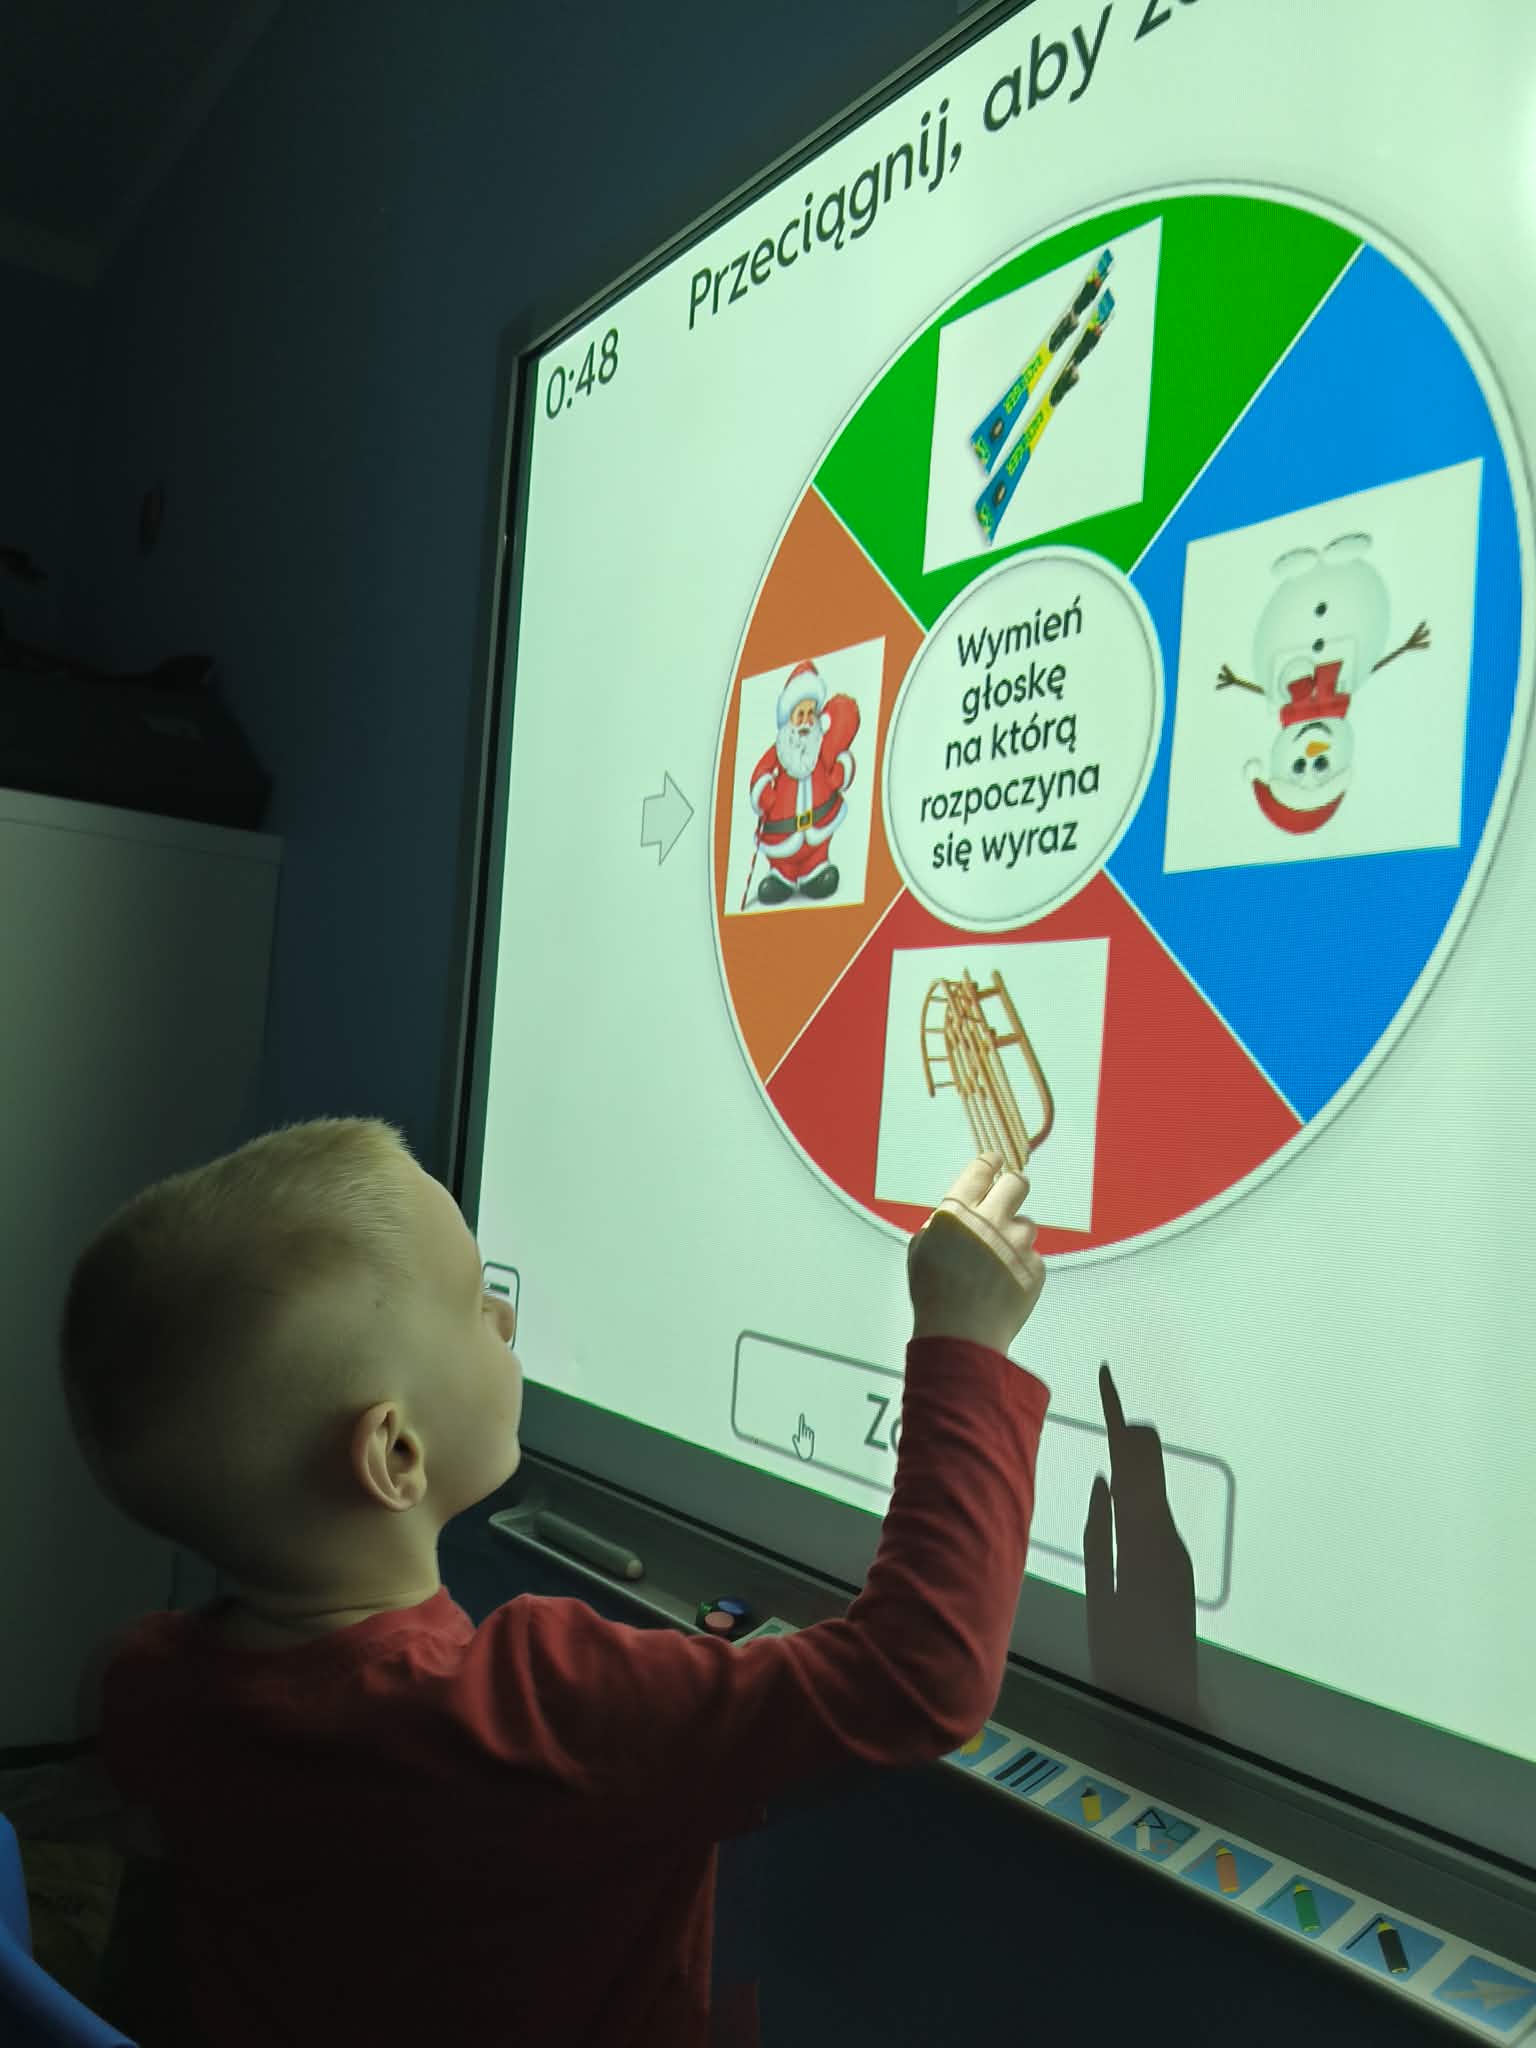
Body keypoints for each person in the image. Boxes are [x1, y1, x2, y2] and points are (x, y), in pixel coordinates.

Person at [58, 1119, 1049, 2047]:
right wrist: (962, 1338)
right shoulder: (545, 1705)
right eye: (473, 1301)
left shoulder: (143, 1687)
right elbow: (917, 1675)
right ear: (396, 1454)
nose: (504, 1312)